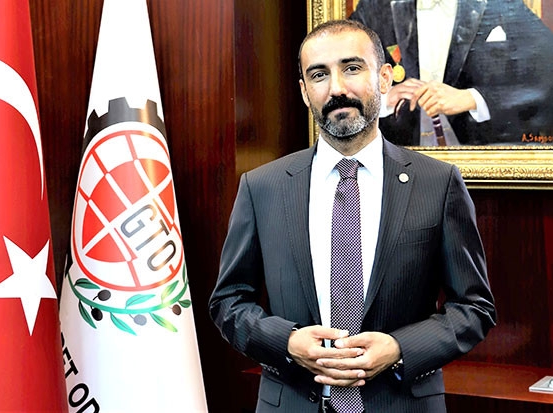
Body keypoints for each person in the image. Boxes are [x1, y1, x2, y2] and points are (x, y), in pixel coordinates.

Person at [209, 19, 496, 413]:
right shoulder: (262, 187)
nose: (337, 88)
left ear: (384, 78)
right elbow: (228, 302)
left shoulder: (438, 183)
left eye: (352, 68)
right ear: (304, 91)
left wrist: (398, 348)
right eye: (319, 75)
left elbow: (474, 307)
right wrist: (287, 343)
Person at [350, 0, 553, 146]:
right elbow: (340, 69)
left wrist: (473, 99)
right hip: (398, 160)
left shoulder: (502, 4)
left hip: (481, 159)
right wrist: (383, 98)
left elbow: (547, 74)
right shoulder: (374, 7)